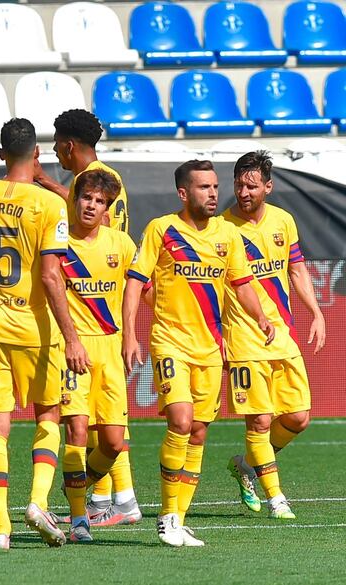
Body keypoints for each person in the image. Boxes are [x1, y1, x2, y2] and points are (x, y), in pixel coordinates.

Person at [122, 159, 275, 547]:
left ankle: (179, 519)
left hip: (210, 348)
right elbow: (136, 283)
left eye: (214, 187)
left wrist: (261, 318)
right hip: (170, 341)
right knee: (181, 420)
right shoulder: (162, 229)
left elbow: (241, 284)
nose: (213, 193)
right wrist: (129, 335)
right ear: (183, 193)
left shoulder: (227, 234)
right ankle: (166, 518)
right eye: (203, 187)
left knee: (199, 432)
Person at [0, 118, 90, 550]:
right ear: (38, 156)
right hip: (38, 332)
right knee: (48, 415)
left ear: (1, 154)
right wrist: (72, 337)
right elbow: (52, 276)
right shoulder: (50, 205)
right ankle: (36, 501)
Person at [35, 108, 139, 523]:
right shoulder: (108, 177)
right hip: (98, 310)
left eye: (58, 143)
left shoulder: (90, 181)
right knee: (90, 426)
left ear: (68, 144)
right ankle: (106, 502)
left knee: (105, 428)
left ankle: (114, 499)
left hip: (101, 301)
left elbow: (99, 225)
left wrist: (47, 185)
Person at [222, 151, 326, 519]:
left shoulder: (283, 221)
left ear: (269, 186)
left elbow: (296, 269)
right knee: (260, 420)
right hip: (242, 336)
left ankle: (246, 466)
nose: (244, 191)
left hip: (282, 334)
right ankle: (276, 497)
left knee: (298, 418)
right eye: (239, 184)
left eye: (251, 185)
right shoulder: (222, 228)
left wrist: (315, 312)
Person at [57, 169, 137, 543]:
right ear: (75, 199)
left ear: (107, 208)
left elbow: (133, 293)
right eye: (86, 197)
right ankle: (78, 519)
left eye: (99, 201)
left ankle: (79, 482)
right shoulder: (57, 242)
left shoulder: (120, 244)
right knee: (75, 430)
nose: (91, 205)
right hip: (71, 348)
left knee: (113, 442)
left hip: (111, 349)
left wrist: (132, 336)